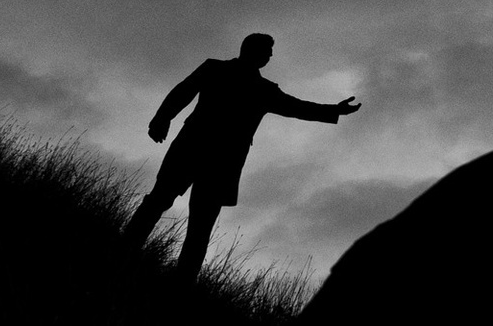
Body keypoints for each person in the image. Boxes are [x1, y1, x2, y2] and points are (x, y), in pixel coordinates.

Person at [127, 32, 360, 276]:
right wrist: (162, 118)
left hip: (211, 157)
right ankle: (131, 252)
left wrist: (335, 110)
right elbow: (183, 92)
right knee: (166, 206)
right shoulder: (225, 73)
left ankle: (176, 278)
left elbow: (297, 107)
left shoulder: (258, 87)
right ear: (252, 50)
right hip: (200, 152)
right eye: (267, 51)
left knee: (195, 223)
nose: (270, 56)